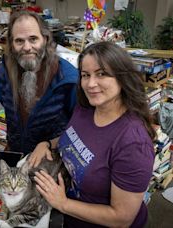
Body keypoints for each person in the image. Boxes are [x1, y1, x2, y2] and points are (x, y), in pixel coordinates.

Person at [32, 42, 156, 227]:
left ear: (122, 78)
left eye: (101, 74)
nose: (90, 84)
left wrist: (64, 204)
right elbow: (75, 139)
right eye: (85, 75)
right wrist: (48, 144)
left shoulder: (133, 143)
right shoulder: (86, 107)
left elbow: (122, 218)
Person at [0, 11, 78, 155]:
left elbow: (79, 126)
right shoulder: (4, 71)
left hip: (52, 161)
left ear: (45, 39)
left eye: (33, 39)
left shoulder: (67, 78)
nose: (27, 47)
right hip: (17, 155)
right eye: (19, 41)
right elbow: (4, 102)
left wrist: (50, 144)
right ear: (12, 44)